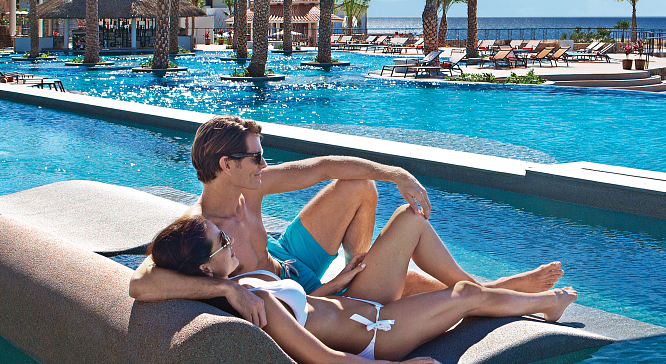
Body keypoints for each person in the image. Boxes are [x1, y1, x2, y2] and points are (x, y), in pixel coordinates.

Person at [128, 115, 564, 327]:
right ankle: (491, 287)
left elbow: (324, 166)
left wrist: (397, 174)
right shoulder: (197, 225)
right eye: (258, 156)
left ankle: (365, 266)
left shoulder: (252, 186)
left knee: (359, 185)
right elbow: (140, 284)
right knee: (409, 274)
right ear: (226, 164)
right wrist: (223, 287)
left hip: (287, 258)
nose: (266, 162)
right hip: (295, 289)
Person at [148, 215, 577, 364]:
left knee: (410, 221)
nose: (230, 238)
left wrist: (338, 283)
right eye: (222, 240)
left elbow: (307, 303)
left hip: (358, 300)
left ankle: (503, 288)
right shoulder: (255, 304)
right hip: (378, 335)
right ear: (205, 268)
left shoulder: (242, 279)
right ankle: (543, 304)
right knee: (462, 296)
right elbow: (325, 360)